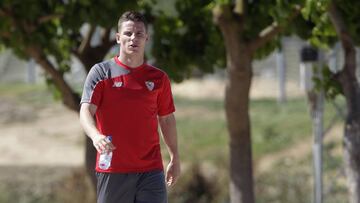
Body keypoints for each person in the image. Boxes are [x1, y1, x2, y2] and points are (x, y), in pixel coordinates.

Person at [79, 11, 180, 203]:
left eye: (139, 34)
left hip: (151, 171)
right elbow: (85, 111)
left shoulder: (159, 79)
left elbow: (166, 119)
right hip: (113, 169)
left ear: (147, 38)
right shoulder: (101, 73)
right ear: (118, 38)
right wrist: (95, 136)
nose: (133, 38)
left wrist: (174, 157)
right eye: (128, 33)